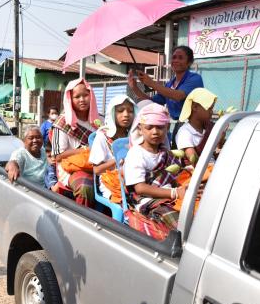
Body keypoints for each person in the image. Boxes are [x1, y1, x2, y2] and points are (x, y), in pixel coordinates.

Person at [124, 103, 185, 240]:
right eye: (149, 127)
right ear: (140, 129)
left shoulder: (165, 152)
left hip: (168, 194)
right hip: (146, 199)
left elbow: (174, 178)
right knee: (179, 222)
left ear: (167, 127)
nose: (155, 132)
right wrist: (174, 193)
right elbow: (139, 188)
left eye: (160, 127)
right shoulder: (136, 154)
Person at [128, 46, 203, 145]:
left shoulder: (195, 79)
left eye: (180, 58)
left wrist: (152, 83)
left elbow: (178, 96)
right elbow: (151, 102)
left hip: (192, 127)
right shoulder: (170, 84)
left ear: (189, 62)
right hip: (177, 126)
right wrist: (134, 87)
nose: (176, 60)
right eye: (174, 57)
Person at [51, 78, 99, 207]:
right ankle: (84, 220)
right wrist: (85, 150)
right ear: (70, 99)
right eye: (77, 96)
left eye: (85, 95)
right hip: (71, 169)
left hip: (97, 166)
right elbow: (57, 156)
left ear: (91, 96)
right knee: (85, 186)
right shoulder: (61, 122)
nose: (82, 99)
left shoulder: (99, 120)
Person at [89, 95, 135, 201]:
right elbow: (97, 170)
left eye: (130, 111)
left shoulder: (134, 135)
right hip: (110, 181)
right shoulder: (103, 136)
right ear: (112, 113)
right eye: (120, 111)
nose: (126, 115)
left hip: (133, 178)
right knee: (129, 202)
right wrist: (118, 161)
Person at [176, 88, 218, 166]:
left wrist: (220, 139)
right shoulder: (185, 132)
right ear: (195, 107)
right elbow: (193, 160)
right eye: (209, 108)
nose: (211, 111)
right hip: (197, 174)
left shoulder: (208, 128)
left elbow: (217, 150)